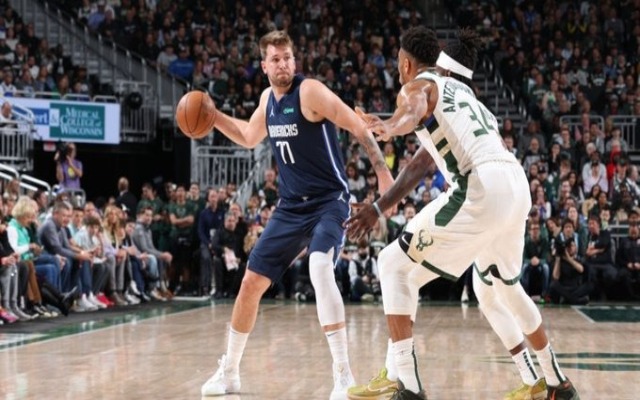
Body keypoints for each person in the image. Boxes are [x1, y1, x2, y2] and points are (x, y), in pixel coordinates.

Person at [345, 27, 579, 400]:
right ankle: (555, 381)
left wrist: (389, 126)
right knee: (495, 287)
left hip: (481, 185)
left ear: (406, 63)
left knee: (391, 264)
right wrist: (377, 207)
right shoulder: (465, 95)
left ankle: (407, 384)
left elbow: (411, 108)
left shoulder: (418, 86)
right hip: (515, 182)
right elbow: (420, 165)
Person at [200, 30, 393, 399]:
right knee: (249, 284)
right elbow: (248, 135)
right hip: (290, 206)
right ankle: (230, 372)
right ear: (264, 66)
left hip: (329, 201)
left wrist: (382, 173)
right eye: (275, 59)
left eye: (287, 57)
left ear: (294, 60)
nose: (283, 64)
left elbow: (356, 124)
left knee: (319, 267)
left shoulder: (310, 92)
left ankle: (343, 374)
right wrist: (214, 116)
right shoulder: (267, 100)